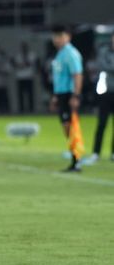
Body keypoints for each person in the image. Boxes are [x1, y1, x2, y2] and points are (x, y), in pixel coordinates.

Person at [49, 25, 84, 172]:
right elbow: (59, 78)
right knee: (66, 126)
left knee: (71, 126)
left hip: (69, 94)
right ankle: (74, 156)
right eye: (55, 36)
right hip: (62, 94)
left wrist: (76, 95)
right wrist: (56, 97)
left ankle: (77, 160)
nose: (57, 39)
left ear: (68, 37)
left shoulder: (70, 53)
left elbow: (77, 75)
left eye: (61, 36)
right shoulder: (60, 54)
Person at [83, 34, 114, 163]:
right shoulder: (104, 52)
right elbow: (103, 66)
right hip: (106, 92)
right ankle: (96, 152)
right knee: (102, 123)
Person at [14, 41, 37, 113]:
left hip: (29, 76)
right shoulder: (18, 55)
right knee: (20, 95)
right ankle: (21, 109)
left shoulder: (32, 54)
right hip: (20, 77)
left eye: (25, 47)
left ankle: (31, 109)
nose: (24, 48)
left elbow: (30, 63)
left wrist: (23, 64)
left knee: (30, 94)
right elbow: (16, 65)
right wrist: (23, 64)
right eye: (22, 47)